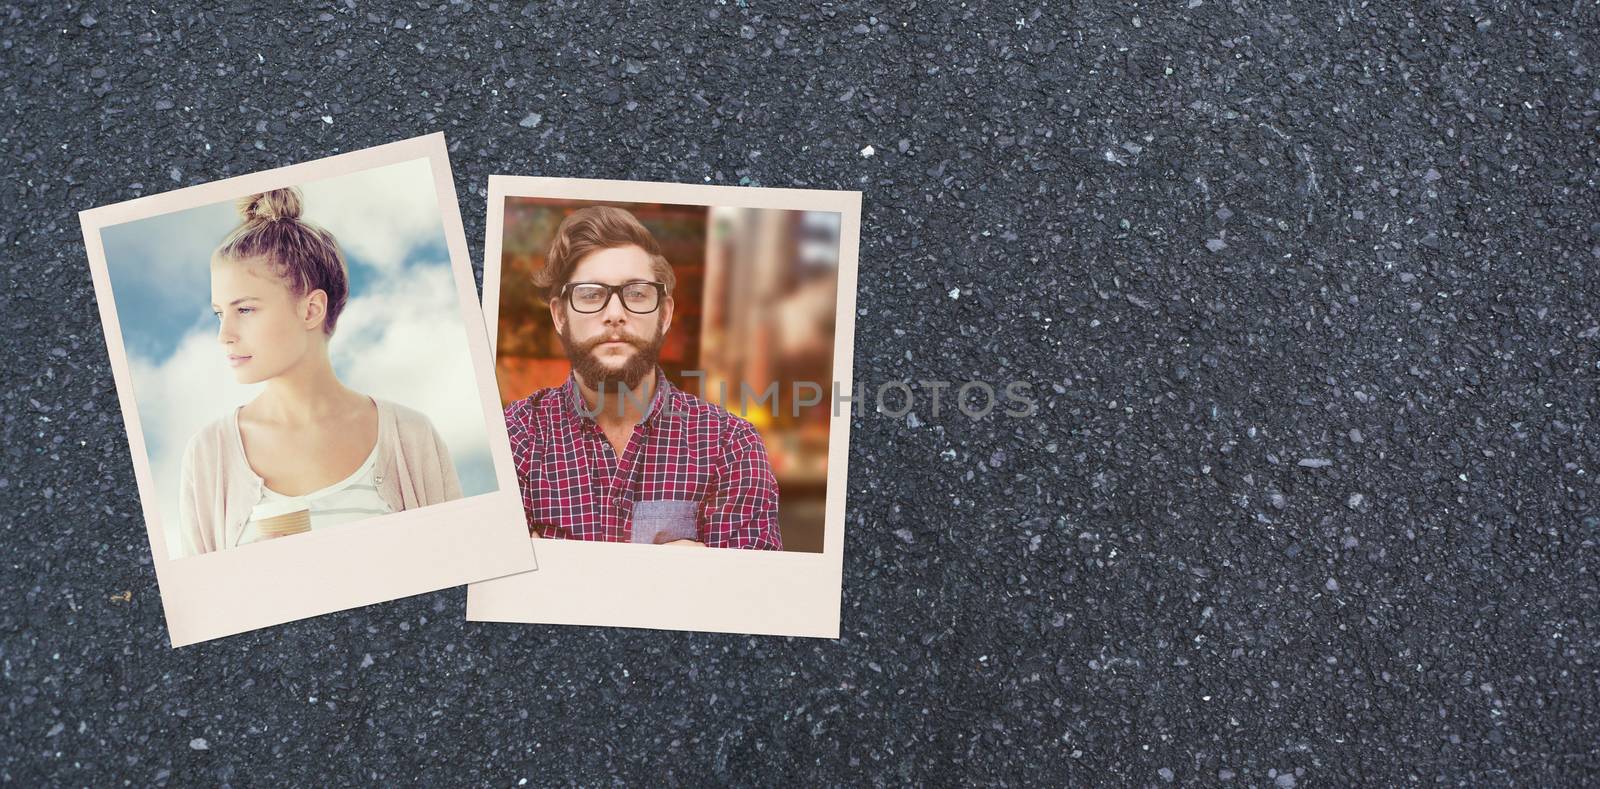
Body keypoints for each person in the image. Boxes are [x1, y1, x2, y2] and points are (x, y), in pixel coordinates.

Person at [176, 187, 462, 558]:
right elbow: (205, 606)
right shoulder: (207, 456)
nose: (224, 335)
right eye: (220, 313)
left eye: (244, 310)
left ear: (311, 310)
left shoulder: (411, 437)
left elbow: (460, 573)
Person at [503, 206, 782, 549]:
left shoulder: (731, 446)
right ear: (560, 315)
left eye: (636, 293)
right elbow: (496, 592)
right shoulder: (514, 438)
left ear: (664, 315)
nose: (615, 315)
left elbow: (750, 596)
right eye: (591, 294)